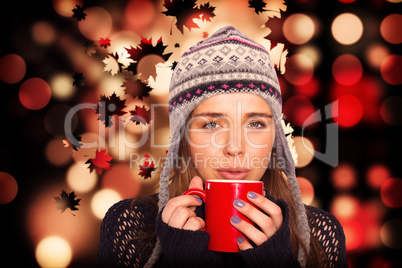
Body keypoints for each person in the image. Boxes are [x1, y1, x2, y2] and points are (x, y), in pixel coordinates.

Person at [96, 26, 347, 268]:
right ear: (182, 138)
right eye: (211, 124)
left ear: (276, 136)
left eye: (256, 123)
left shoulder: (320, 234)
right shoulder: (129, 225)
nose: (235, 148)